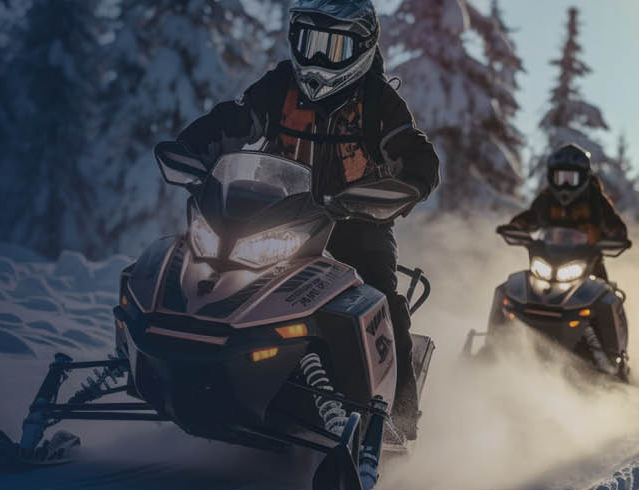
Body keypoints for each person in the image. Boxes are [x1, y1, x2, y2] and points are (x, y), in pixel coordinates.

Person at [174, 0, 440, 440]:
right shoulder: (281, 85)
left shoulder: (378, 101)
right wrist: (194, 148)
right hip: (277, 214)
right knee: (205, 268)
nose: (317, 58)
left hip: (357, 221)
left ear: (362, 48)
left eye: (333, 46)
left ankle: (399, 416)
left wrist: (406, 182)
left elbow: (414, 151)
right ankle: (192, 367)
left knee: (382, 298)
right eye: (309, 42)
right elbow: (236, 119)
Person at [506, 143, 628, 279]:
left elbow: (611, 222)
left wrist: (617, 235)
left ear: (583, 177)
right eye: (560, 178)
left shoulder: (595, 200)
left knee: (606, 295)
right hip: (547, 262)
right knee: (514, 290)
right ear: (552, 177)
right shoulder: (547, 199)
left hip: (589, 267)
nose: (565, 184)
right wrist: (517, 227)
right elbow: (532, 216)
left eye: (571, 179)